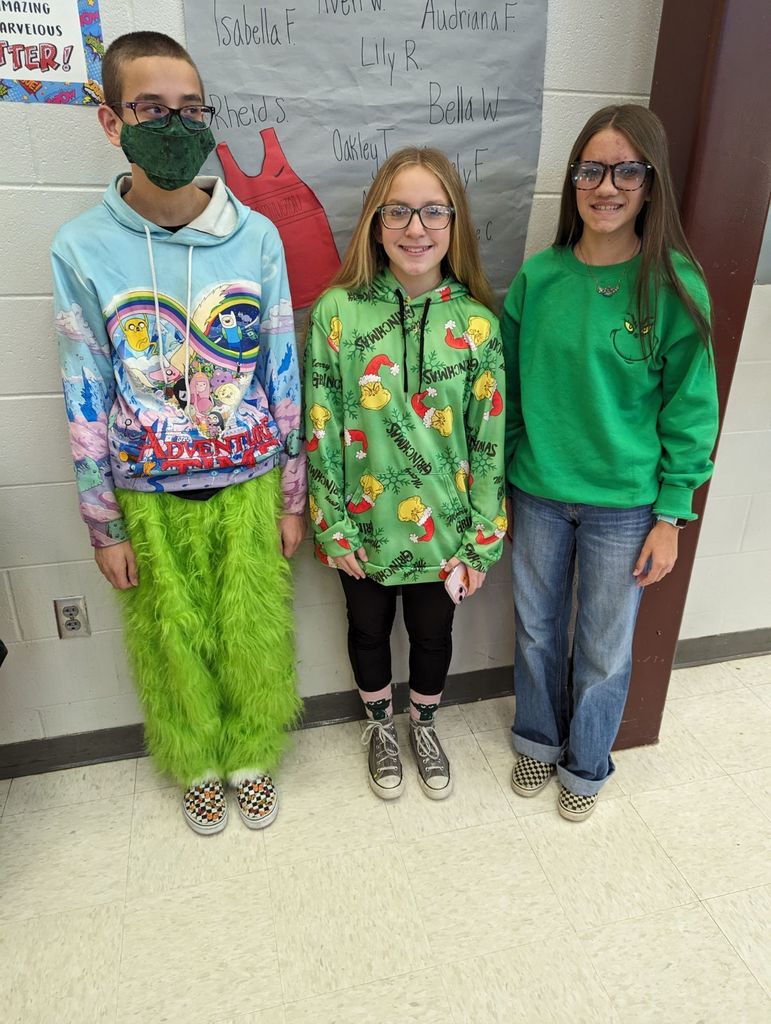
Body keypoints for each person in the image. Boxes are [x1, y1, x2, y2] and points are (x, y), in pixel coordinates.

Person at [52, 32, 306, 834]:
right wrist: (102, 525)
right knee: (170, 637)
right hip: (144, 489)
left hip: (249, 477)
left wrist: (292, 496)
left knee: (251, 629)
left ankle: (251, 753)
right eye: (151, 108)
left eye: (191, 108)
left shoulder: (255, 236)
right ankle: (194, 760)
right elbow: (83, 386)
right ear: (111, 121)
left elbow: (282, 371)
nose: (175, 123)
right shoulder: (80, 248)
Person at [502, 105, 719, 821]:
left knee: (603, 646)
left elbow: (690, 410)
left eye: (627, 171)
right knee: (536, 630)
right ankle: (537, 739)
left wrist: (672, 515)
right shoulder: (538, 279)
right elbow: (505, 393)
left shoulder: (674, 285)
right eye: (591, 170)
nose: (606, 186)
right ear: (572, 181)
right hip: (537, 492)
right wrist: (501, 482)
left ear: (651, 184)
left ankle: (586, 763)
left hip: (625, 507)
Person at [304, 147, 506, 800]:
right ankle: (378, 726)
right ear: (375, 221)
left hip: (444, 533)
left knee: (432, 635)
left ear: (454, 222)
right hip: (361, 529)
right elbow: (321, 426)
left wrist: (481, 540)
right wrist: (331, 524)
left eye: (432, 212)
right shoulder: (338, 313)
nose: (415, 229)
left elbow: (488, 441)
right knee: (366, 631)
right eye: (398, 212)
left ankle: (421, 724)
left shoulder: (477, 325)